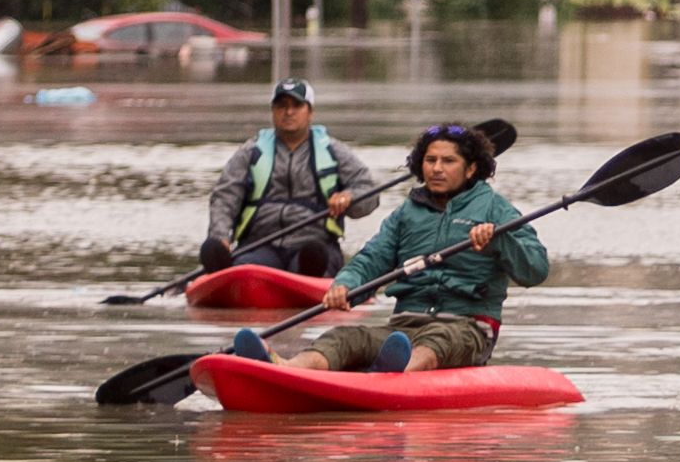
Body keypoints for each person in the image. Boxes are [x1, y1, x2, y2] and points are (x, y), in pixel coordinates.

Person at [291, 124, 546, 370]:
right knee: (343, 337)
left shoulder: (496, 208)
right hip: (403, 326)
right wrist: (345, 285)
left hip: (467, 327)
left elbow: (536, 270)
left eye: (448, 161)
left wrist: (499, 240)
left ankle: (390, 374)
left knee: (437, 340)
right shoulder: (406, 213)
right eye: (430, 160)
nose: (436, 169)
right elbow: (372, 258)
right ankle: (288, 368)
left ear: (470, 169)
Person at [200, 78, 375, 278]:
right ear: (273, 111)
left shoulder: (334, 151)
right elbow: (225, 196)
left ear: (310, 112)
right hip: (260, 245)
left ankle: (308, 278)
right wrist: (220, 236)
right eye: (282, 106)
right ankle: (230, 275)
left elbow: (368, 193)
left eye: (297, 106)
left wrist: (349, 198)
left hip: (314, 245)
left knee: (312, 257)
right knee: (244, 266)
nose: (289, 112)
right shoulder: (251, 152)